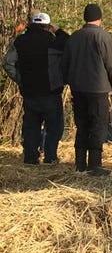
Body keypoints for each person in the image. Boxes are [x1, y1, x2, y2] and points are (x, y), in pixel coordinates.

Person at [62, 3, 112, 176]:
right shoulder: (103, 37)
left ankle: (79, 164)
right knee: (97, 125)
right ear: (100, 18)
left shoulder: (74, 37)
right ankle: (94, 165)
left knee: (81, 125)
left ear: (85, 18)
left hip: (78, 89)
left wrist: (68, 81)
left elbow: (64, 64)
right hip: (98, 89)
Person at [2, 12, 69, 165]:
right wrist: (57, 30)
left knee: (31, 126)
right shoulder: (52, 40)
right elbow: (68, 42)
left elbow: (7, 63)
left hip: (29, 93)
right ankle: (50, 157)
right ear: (48, 26)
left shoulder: (20, 41)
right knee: (53, 127)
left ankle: (30, 158)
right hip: (50, 92)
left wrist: (20, 79)